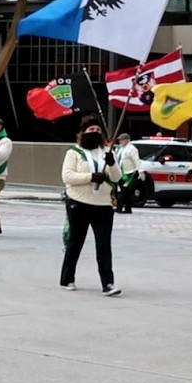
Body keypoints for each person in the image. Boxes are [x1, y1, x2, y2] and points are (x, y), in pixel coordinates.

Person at [60, 115, 122, 295]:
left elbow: (117, 178)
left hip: (103, 204)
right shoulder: (74, 152)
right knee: (75, 241)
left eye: (97, 130)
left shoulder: (108, 152)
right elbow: (67, 177)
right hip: (78, 202)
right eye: (90, 130)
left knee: (104, 244)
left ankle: (108, 283)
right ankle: (68, 278)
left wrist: (111, 164)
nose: (94, 132)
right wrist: (90, 177)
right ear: (83, 132)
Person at [113, 133, 142, 214]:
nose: (120, 141)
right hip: (120, 173)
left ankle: (119, 208)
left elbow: (136, 160)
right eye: (119, 140)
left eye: (122, 140)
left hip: (129, 173)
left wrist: (140, 171)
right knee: (125, 192)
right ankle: (128, 208)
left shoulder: (132, 149)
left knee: (124, 191)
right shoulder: (120, 149)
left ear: (127, 140)